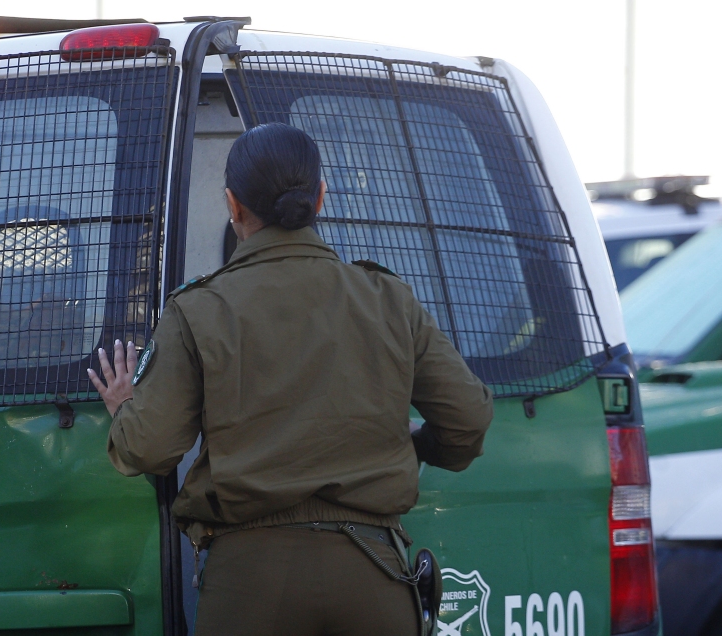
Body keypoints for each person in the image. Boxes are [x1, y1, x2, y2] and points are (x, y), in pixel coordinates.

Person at [87, 122, 493, 636]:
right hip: (375, 577)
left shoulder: (199, 310)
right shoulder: (388, 299)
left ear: (233, 207)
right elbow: (469, 420)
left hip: (250, 590)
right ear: (320, 197)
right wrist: (416, 445)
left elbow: (148, 449)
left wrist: (125, 408)